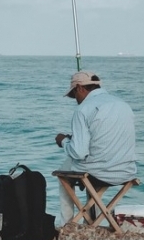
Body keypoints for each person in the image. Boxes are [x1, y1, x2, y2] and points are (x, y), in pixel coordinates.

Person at [54, 71, 136, 225]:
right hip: (126, 171)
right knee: (90, 164)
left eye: (74, 95)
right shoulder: (123, 105)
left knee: (63, 174)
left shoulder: (83, 110)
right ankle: (93, 220)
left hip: (100, 173)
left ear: (79, 88)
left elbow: (79, 152)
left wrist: (64, 141)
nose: (76, 100)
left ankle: (68, 223)